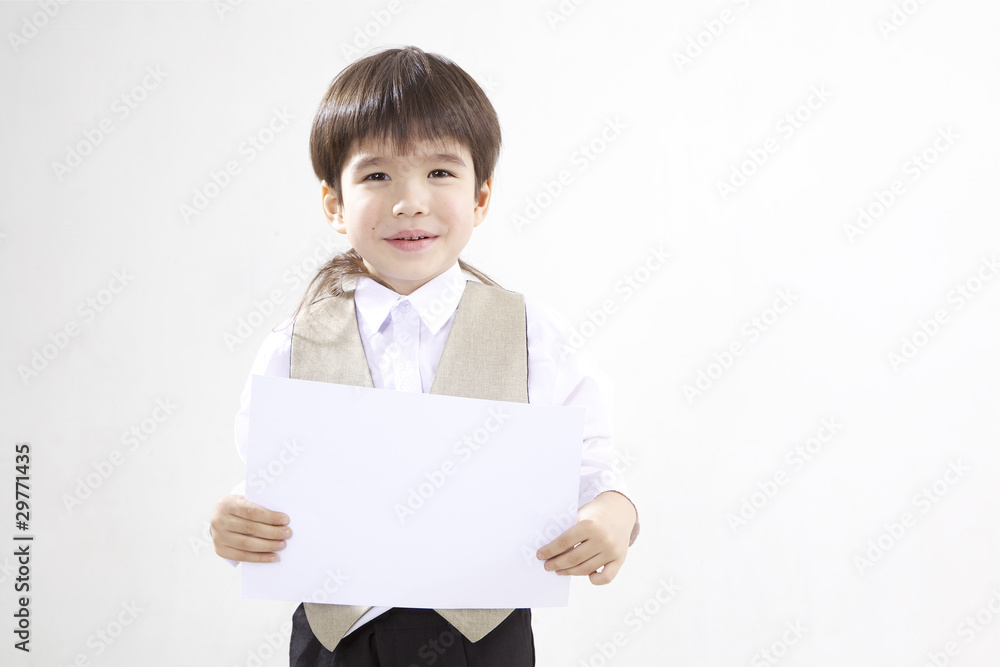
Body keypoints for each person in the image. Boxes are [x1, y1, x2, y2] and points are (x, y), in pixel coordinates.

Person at [210, 45, 639, 666]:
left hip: (481, 643)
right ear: (334, 204)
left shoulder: (531, 335)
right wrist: (236, 520)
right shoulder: (294, 343)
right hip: (338, 643)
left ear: (481, 197)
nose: (409, 201)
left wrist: (614, 513)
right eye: (376, 176)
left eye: (440, 172)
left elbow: (591, 465)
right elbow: (272, 478)